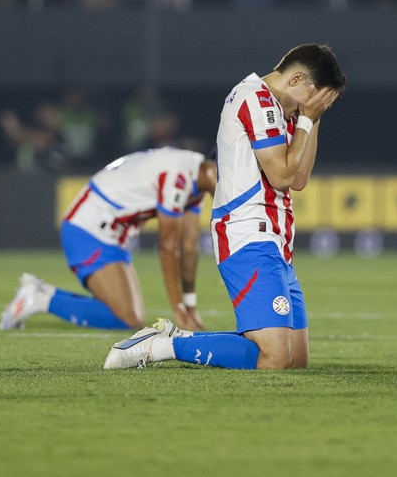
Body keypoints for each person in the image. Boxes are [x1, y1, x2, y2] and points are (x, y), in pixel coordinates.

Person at [103, 44, 346, 370]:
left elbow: (299, 178)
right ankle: (164, 344)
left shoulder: (282, 109)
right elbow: (282, 175)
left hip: (276, 241)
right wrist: (306, 120)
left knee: (294, 361)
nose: (310, 109)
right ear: (296, 79)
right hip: (248, 235)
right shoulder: (255, 98)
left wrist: (312, 121)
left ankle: (175, 341)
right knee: (273, 359)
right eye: (314, 98)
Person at [0, 147, 217, 331]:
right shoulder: (178, 177)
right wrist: (178, 310)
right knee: (129, 318)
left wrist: (191, 307)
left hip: (110, 235)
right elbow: (168, 246)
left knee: (130, 317)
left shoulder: (196, 175)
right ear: (213, 167)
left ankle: (40, 293)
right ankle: (39, 298)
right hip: (89, 229)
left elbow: (188, 247)